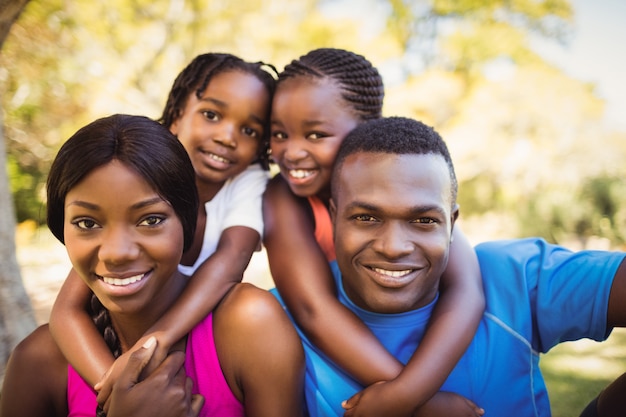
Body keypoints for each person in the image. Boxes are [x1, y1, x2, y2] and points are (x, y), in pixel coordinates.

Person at [283, 115, 626, 416]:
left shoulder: (514, 278)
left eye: (423, 221)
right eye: (366, 217)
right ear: (333, 216)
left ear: (452, 223)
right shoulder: (275, 323)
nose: (393, 247)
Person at [0, 114, 305, 417]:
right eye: (87, 223)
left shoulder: (249, 327)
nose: (117, 253)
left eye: (150, 220)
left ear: (186, 223)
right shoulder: (38, 361)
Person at [263, 48, 485, 415]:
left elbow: (466, 292)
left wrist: (405, 395)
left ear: (367, 129)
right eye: (279, 134)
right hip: (342, 349)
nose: (292, 152)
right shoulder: (282, 197)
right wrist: (421, 403)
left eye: (315, 135)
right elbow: (311, 307)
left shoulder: (413, 198)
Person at [48, 53, 277, 401]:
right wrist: (119, 393)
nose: (228, 137)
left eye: (249, 130)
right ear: (175, 116)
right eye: (211, 115)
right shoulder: (134, 171)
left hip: (206, 345)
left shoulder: (246, 182)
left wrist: (155, 341)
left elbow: (232, 259)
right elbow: (66, 311)